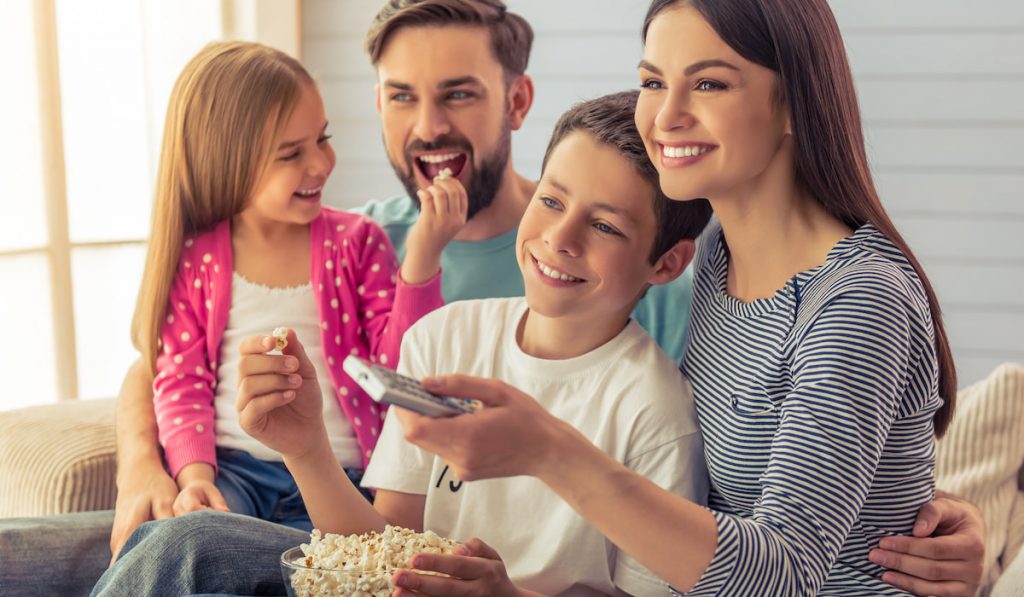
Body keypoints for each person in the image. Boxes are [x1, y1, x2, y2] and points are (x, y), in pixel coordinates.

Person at [0, 1, 983, 596]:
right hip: (348, 528)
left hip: (464, 565)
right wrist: (150, 458)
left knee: (186, 555)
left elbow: (783, 534)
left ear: (515, 102)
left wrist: (939, 516)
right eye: (652, 82)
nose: (669, 115)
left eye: (459, 93)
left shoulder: (680, 257)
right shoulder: (351, 237)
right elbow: (177, 346)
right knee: (39, 555)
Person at [384, 1, 985, 595]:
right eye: (652, 81)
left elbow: (781, 574)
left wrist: (551, 451)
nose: (666, 116)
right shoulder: (723, 252)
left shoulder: (858, 298)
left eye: (709, 83)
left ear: (795, 102)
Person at [92, 89, 713, 597]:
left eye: (605, 225)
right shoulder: (445, 336)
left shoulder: (655, 413)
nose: (560, 238)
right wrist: (305, 445)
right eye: (550, 200)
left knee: (186, 544)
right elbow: (378, 547)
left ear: (666, 263)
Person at [133, 40, 467, 529]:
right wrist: (195, 476)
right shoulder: (197, 258)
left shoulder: (357, 242)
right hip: (234, 475)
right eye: (291, 154)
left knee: (319, 573)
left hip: (341, 479)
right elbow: (181, 382)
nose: (320, 163)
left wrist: (422, 258)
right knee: (195, 545)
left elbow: (398, 375)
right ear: (228, 162)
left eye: (322, 138)